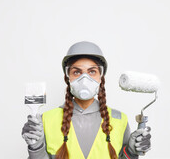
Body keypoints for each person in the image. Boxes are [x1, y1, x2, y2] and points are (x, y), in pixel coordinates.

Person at [22, 41, 151, 159]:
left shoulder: (120, 120)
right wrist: (36, 147)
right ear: (67, 78)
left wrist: (131, 152)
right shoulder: (46, 120)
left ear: (101, 77)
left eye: (92, 71)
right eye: (77, 72)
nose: (85, 78)